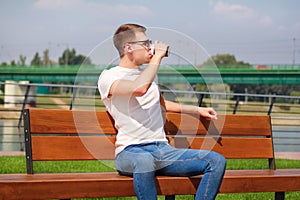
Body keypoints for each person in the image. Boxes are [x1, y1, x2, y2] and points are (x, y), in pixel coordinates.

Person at [98, 23, 226, 200]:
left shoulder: (148, 75)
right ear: (128, 48)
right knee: (144, 160)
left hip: (162, 149)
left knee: (216, 161)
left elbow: (162, 105)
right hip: (130, 152)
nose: (150, 47)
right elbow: (139, 89)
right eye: (145, 43)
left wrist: (197, 110)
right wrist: (157, 57)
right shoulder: (109, 76)